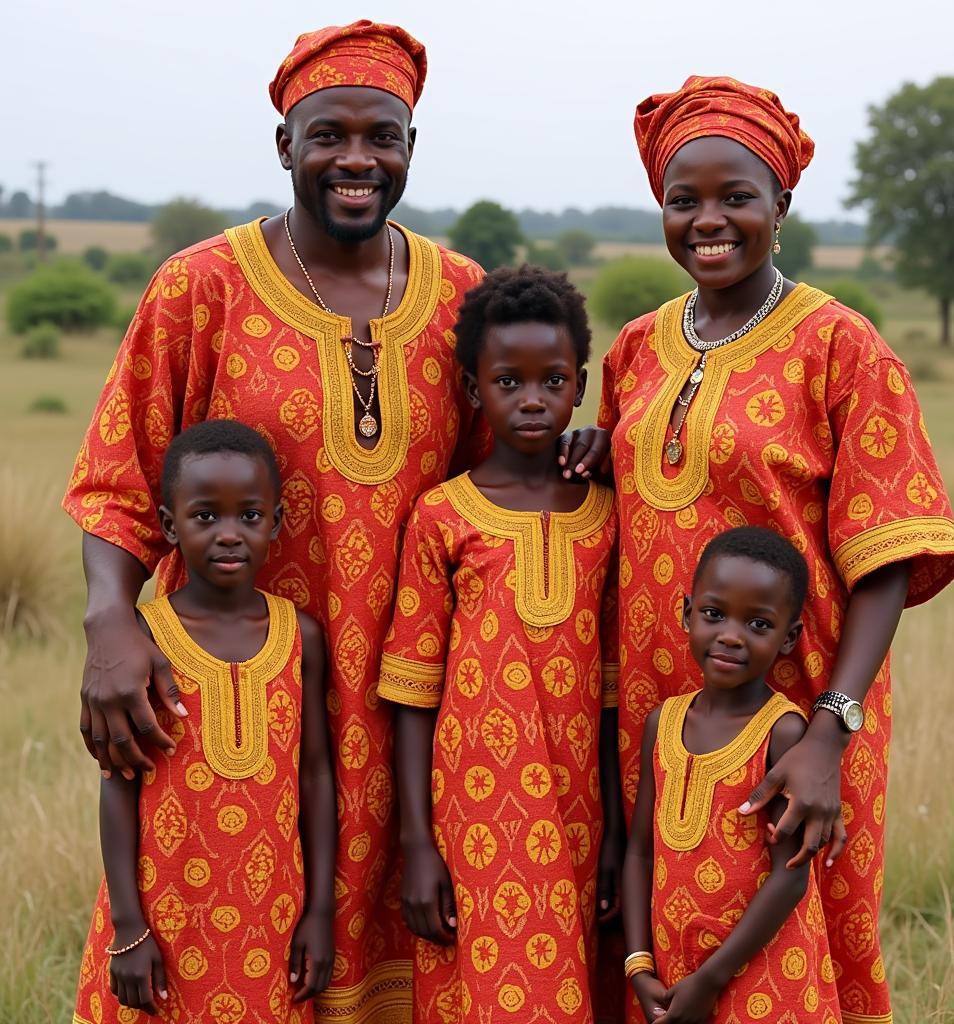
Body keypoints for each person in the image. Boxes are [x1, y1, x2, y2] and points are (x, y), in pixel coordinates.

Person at [63, 22, 608, 1020]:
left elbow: (506, 464)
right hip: (243, 695)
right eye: (328, 135)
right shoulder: (200, 287)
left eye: (383, 137)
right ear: (285, 146)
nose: (356, 159)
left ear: (408, 148)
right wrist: (109, 625)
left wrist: (589, 449)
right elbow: (115, 480)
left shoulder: (460, 294)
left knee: (411, 950)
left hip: (415, 714)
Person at [600, 76, 954, 1024]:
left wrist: (830, 735)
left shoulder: (842, 348)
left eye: (736, 198)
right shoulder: (636, 349)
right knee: (658, 941)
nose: (708, 221)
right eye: (685, 201)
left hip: (797, 717)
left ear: (783, 208)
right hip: (661, 711)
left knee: (796, 953)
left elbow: (886, 558)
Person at [377, 267, 623, 1023]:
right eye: (507, 380)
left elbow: (616, 690)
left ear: (579, 386)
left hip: (582, 810)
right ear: (472, 387)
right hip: (472, 817)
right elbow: (414, 694)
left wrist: (619, 830)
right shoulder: (442, 517)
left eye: (552, 380)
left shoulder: (610, 513)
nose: (531, 399)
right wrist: (419, 844)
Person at [73, 420, 336, 1024]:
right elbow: (119, 785)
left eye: (248, 516)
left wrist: (320, 912)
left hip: (271, 916)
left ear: (275, 523)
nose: (228, 535)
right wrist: (129, 926)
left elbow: (316, 780)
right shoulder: (143, 640)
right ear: (169, 526)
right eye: (204, 517)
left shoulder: (302, 637)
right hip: (164, 914)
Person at [622, 527, 842, 1024]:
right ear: (686, 613)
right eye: (714, 614)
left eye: (758, 624)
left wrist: (713, 977)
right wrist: (639, 965)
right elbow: (640, 850)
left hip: (761, 972)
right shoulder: (664, 721)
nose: (729, 635)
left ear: (789, 638)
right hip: (675, 969)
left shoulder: (783, 732)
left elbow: (791, 876)